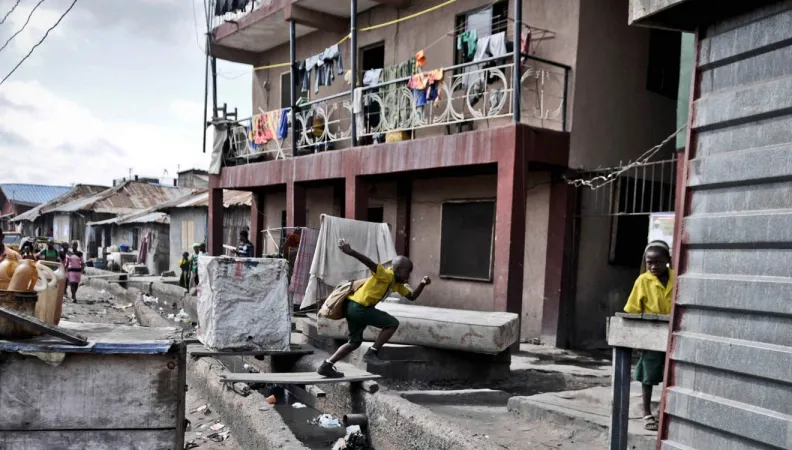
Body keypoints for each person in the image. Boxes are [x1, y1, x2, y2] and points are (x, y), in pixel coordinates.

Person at [317, 239, 431, 378]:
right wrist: (351, 252)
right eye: (407, 272)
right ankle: (372, 352)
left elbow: (412, 296)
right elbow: (370, 263)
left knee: (354, 342)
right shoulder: (386, 275)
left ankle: (326, 365)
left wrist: (422, 284)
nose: (408, 276)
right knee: (392, 323)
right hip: (359, 308)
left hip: (352, 307)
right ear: (397, 269)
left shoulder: (396, 283)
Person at [624, 240, 673, 432]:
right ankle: (647, 412)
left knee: (671, 374)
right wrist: (638, 339)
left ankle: (663, 411)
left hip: (672, 334)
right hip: (651, 334)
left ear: (667, 260)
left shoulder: (676, 278)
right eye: (649, 262)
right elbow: (633, 310)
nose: (653, 266)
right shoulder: (643, 280)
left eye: (658, 262)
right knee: (648, 375)